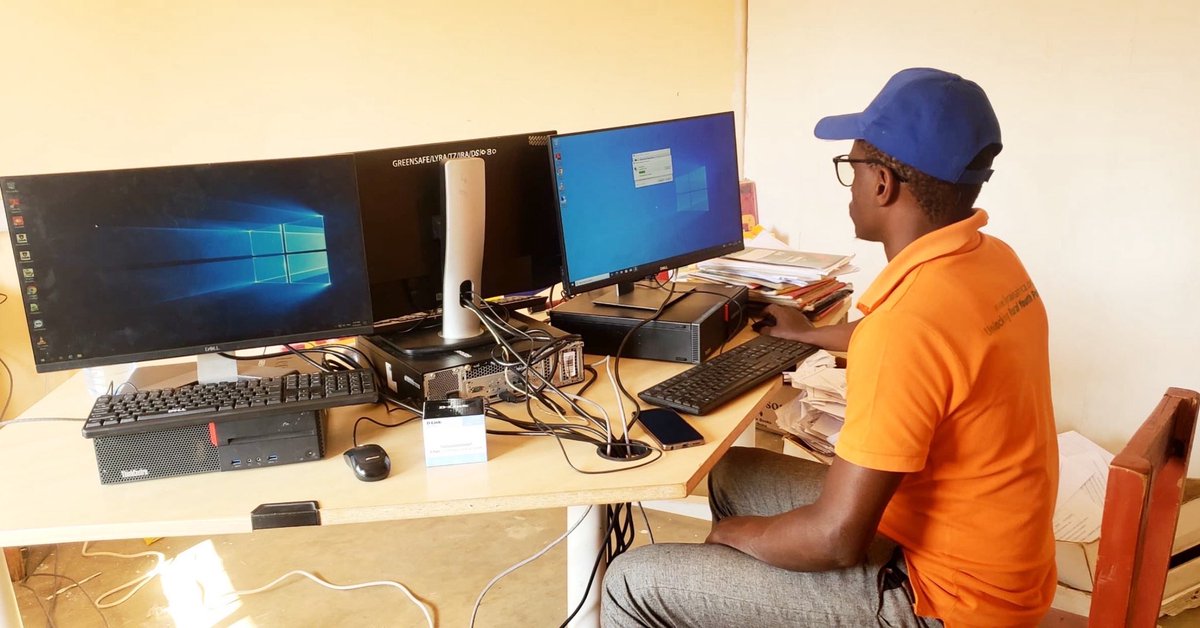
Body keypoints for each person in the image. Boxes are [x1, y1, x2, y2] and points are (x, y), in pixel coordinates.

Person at [602, 68, 1058, 627]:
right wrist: (808, 333)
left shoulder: (909, 325)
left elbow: (837, 538)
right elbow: (935, 354)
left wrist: (736, 535)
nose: (853, 181)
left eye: (853, 167)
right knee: (731, 473)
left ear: (883, 183)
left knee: (632, 580)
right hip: (998, 565)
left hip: (944, 603)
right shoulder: (989, 261)